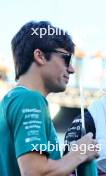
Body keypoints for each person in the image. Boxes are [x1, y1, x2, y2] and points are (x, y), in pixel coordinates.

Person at [0, 21, 98, 176]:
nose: (71, 69)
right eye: (66, 59)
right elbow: (35, 173)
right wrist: (80, 153)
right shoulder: (29, 100)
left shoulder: (12, 100)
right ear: (40, 56)